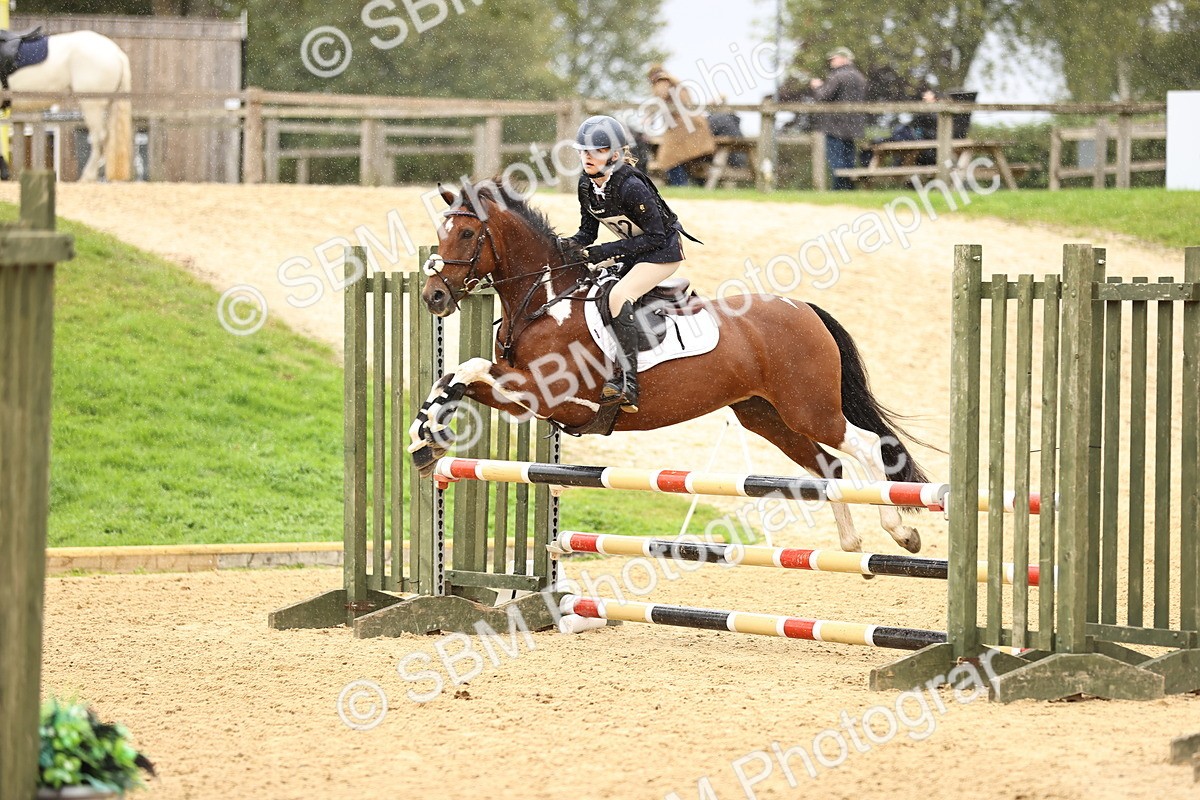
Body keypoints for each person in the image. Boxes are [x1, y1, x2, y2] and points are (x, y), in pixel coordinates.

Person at [559, 115, 700, 413]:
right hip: (632, 252)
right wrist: (563, 246)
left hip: (662, 252)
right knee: (591, 288)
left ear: (615, 154)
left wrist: (605, 252)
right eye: (583, 151)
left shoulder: (631, 185)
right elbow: (587, 233)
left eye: (595, 151)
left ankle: (628, 381)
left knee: (619, 295)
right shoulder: (586, 184)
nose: (587, 157)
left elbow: (655, 236)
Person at [645, 64, 716, 186]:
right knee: (685, 159)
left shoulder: (662, 80)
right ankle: (696, 186)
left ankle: (681, 185)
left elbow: (660, 96)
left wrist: (649, 115)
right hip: (692, 124)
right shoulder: (676, 83)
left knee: (668, 158)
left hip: (683, 127)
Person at [809, 47, 868, 190]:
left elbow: (823, 97)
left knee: (836, 161)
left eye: (834, 58)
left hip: (835, 127)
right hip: (853, 128)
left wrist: (817, 87)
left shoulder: (837, 76)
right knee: (849, 161)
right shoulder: (860, 77)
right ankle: (849, 189)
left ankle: (839, 189)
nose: (831, 62)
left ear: (844, 58)